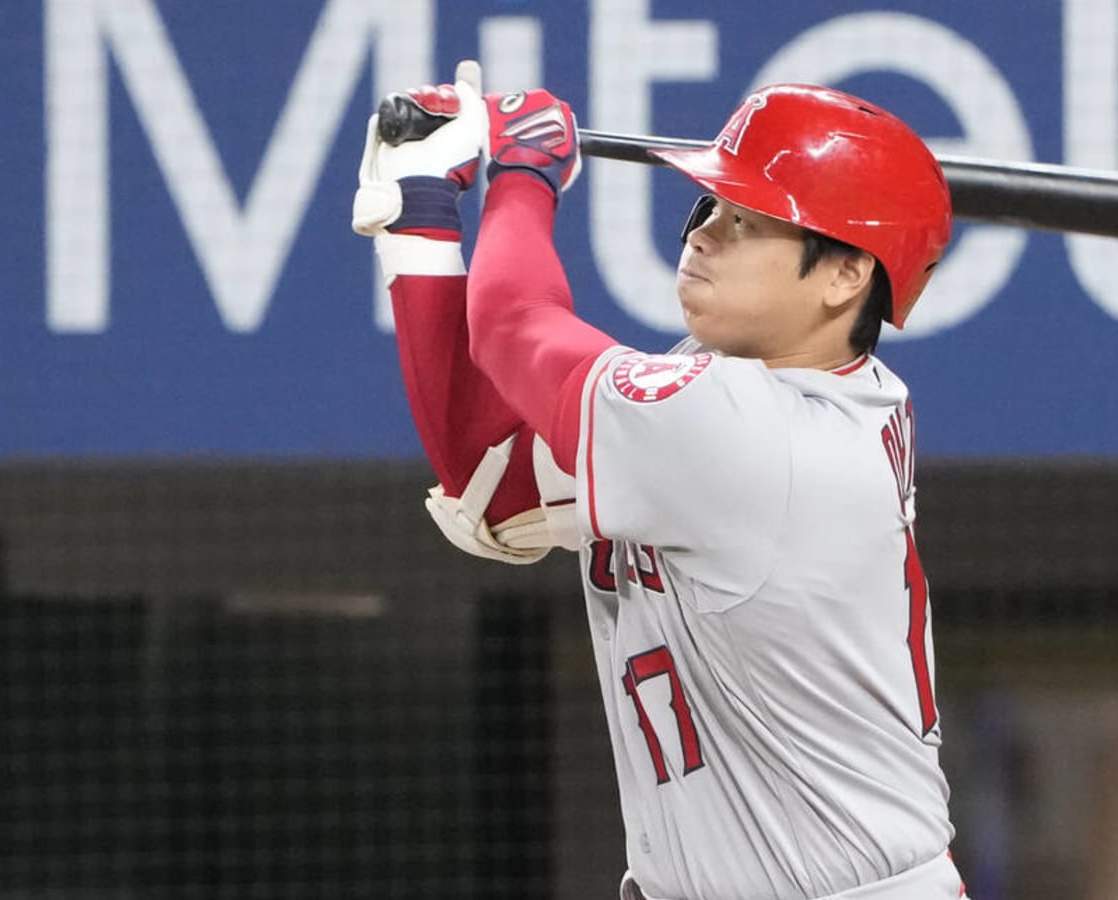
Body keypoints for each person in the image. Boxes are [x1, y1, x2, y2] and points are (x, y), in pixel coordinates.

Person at [352, 60, 963, 900]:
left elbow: (513, 324)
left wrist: (526, 175)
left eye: (750, 220)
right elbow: (489, 474)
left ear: (845, 276)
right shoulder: (743, 401)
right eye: (709, 204)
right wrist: (421, 217)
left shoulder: (754, 433)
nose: (705, 231)